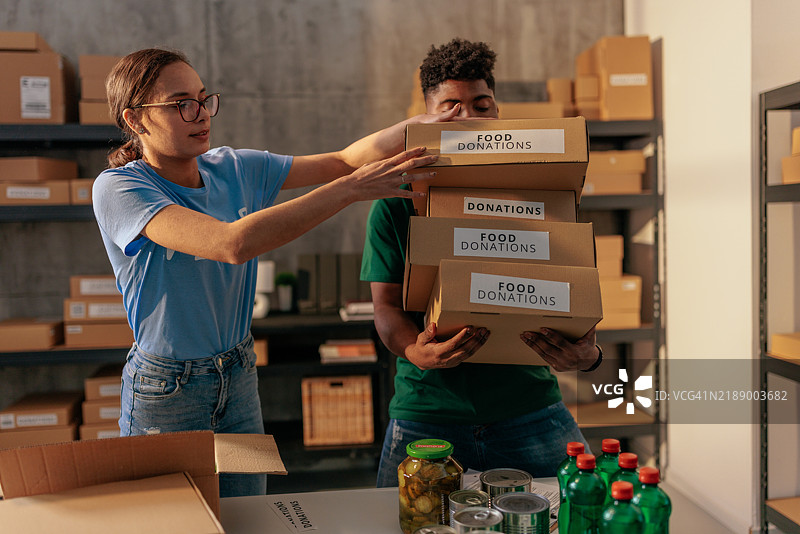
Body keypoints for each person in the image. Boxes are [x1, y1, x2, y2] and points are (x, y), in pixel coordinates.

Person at [93, 48, 456, 498]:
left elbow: (344, 160)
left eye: (205, 100)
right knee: (172, 519)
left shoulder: (233, 167)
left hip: (239, 375)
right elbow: (230, 244)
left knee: (249, 510)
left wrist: (425, 126)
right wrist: (350, 191)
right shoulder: (120, 188)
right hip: (167, 390)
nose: (201, 114)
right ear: (135, 119)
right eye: (181, 103)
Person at [360, 38, 603, 487]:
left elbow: (567, 289)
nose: (468, 119)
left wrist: (589, 354)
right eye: (450, 108)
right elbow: (386, 308)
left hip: (528, 406)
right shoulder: (396, 203)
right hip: (427, 413)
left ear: (498, 115)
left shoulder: (541, 195)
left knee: (578, 511)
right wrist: (415, 350)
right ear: (426, 117)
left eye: (481, 105)